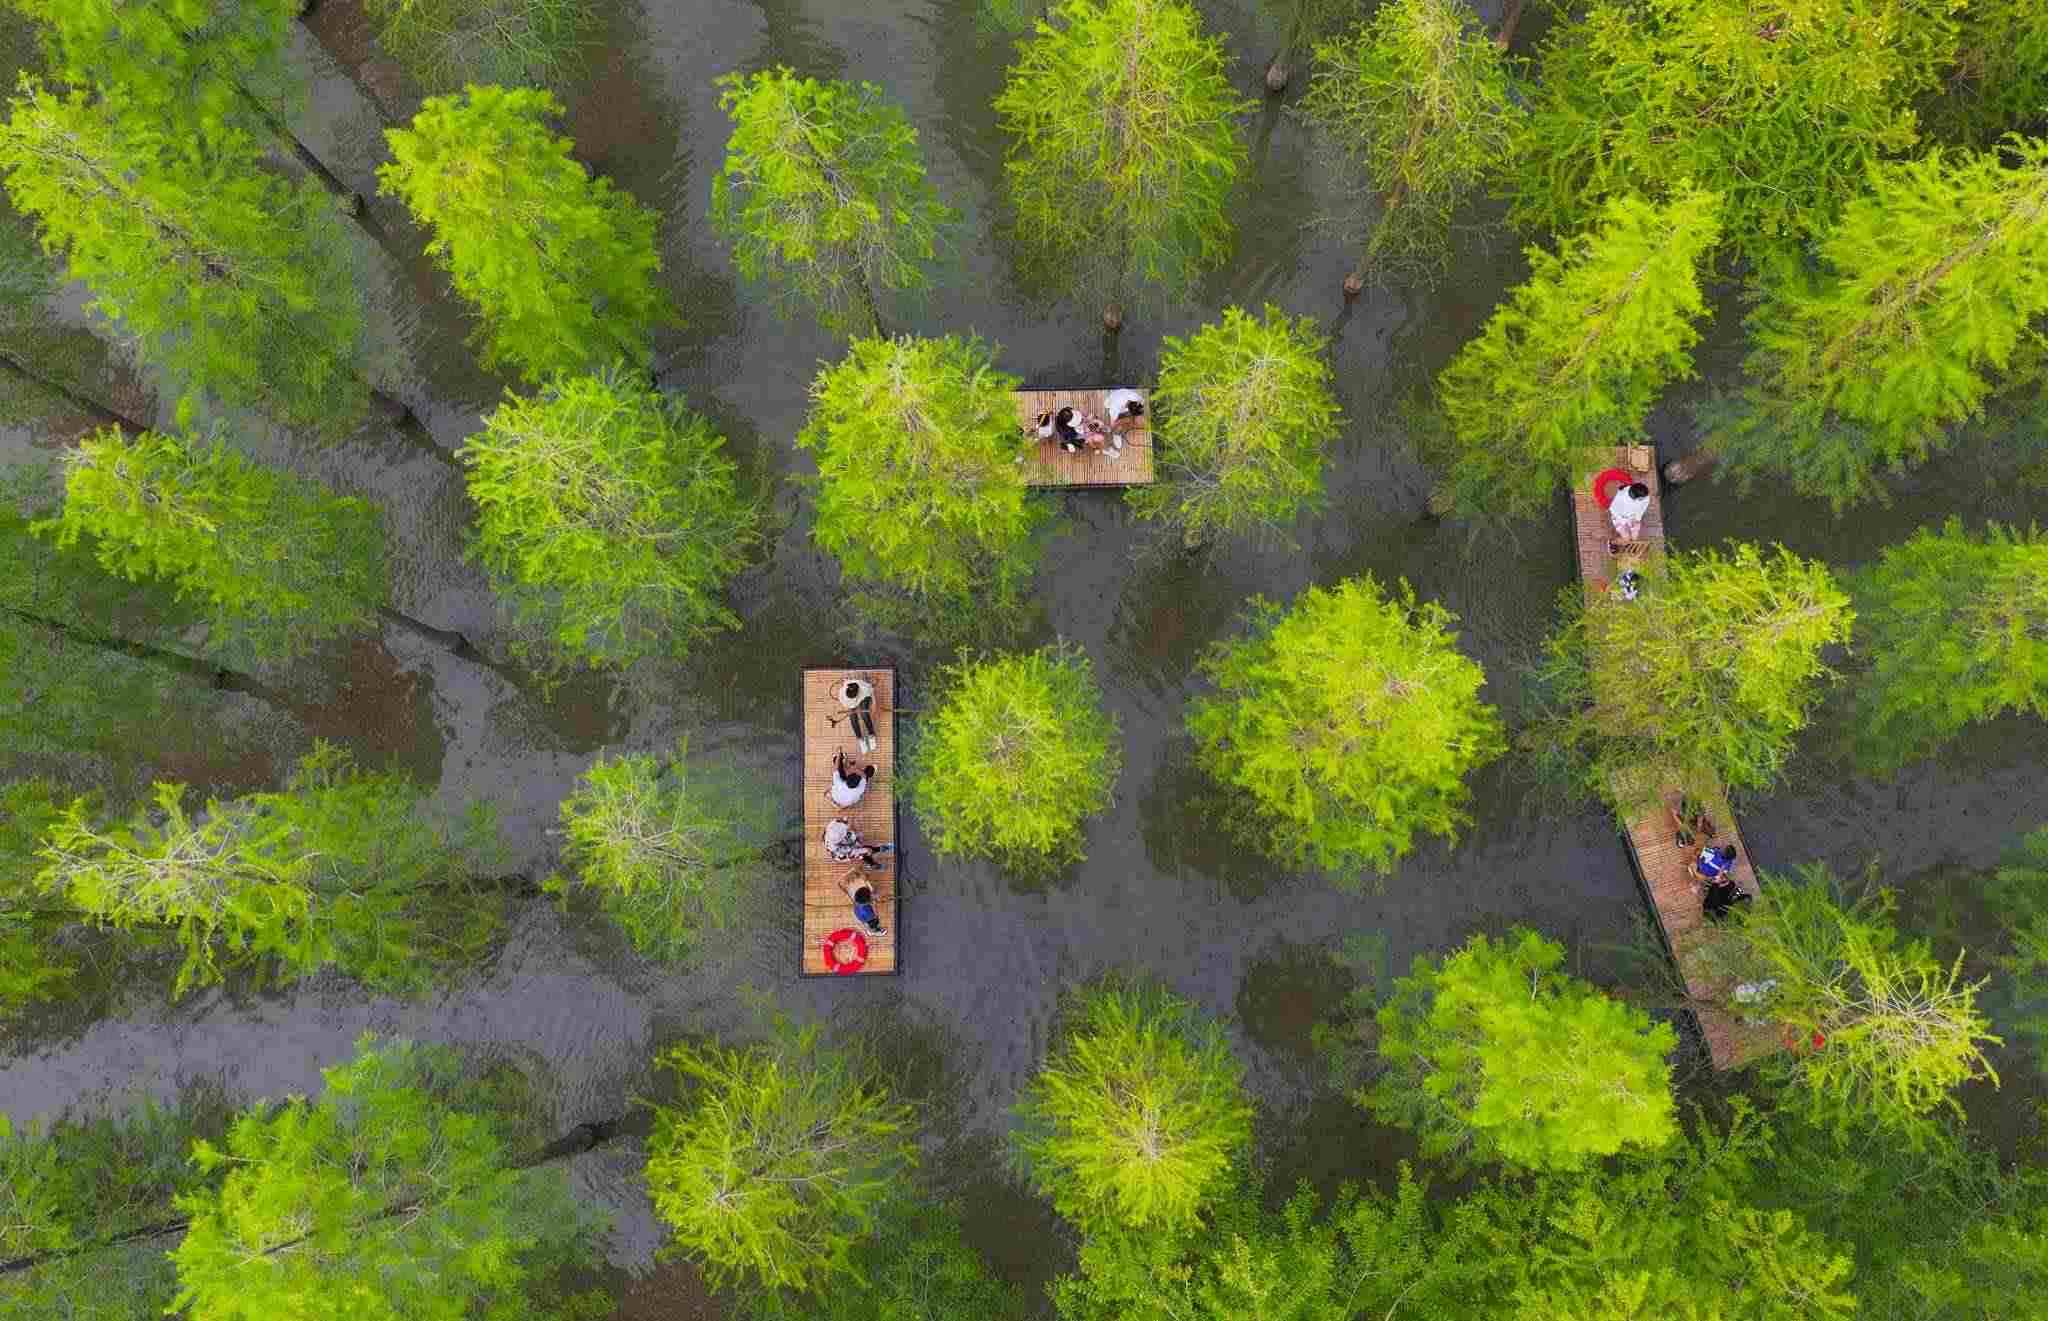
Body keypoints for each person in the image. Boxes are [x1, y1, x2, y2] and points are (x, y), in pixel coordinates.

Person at [1692, 844, 1749, 921]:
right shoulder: (1726, 863)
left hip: (1705, 873)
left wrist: (1699, 861)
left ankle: (1698, 879)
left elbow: (1698, 853)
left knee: (1695, 869)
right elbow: (1721, 876)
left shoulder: (1716, 853)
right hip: (1709, 877)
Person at [824, 817, 894, 869]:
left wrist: (850, 824)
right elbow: (855, 850)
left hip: (845, 842)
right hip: (844, 854)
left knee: (862, 845)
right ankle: (873, 864)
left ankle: (877, 854)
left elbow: (845, 820)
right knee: (865, 851)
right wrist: (865, 849)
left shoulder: (833, 825)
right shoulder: (838, 850)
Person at [839, 862, 886, 935]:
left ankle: (874, 930)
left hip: (861, 900)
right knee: (871, 893)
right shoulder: (863, 916)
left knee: (871, 892)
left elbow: (873, 906)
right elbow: (873, 905)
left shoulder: (869, 915)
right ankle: (874, 930)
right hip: (860, 901)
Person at [837, 676, 876, 753]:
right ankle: (860, 740)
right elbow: (848, 706)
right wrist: (852, 709)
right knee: (852, 718)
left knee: (864, 714)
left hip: (862, 699)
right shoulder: (842, 694)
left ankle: (871, 736)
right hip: (851, 703)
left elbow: (871, 691)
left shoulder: (864, 688)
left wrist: (874, 704)